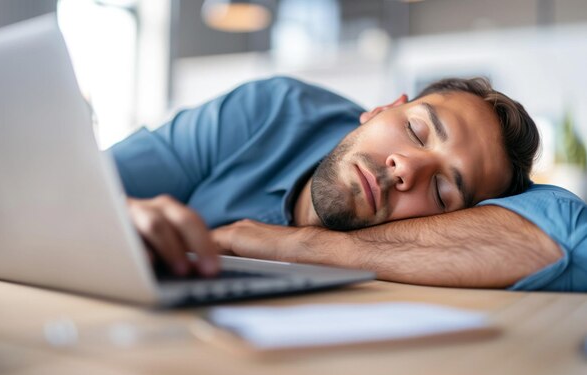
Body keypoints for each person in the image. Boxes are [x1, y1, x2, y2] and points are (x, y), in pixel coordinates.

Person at [109, 76, 586, 291]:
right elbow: (70, 184)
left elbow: (571, 244)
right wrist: (112, 213)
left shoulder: (457, 227)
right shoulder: (267, 111)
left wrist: (297, 246)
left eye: (443, 192)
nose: (406, 167)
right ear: (381, 109)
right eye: (417, 130)